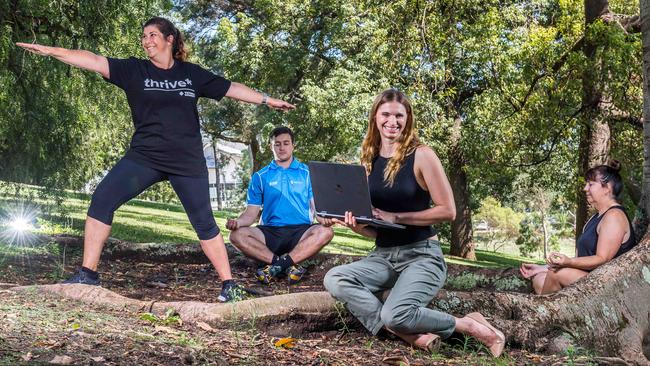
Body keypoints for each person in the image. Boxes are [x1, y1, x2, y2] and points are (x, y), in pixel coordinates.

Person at [16, 16, 295, 302]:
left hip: (186, 162)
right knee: (102, 200)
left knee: (205, 223)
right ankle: (88, 274)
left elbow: (231, 88)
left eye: (152, 35)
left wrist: (267, 100)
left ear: (169, 39)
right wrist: (52, 51)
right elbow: (92, 59)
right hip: (145, 157)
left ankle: (228, 285)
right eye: (144, 36)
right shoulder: (133, 70)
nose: (146, 41)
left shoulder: (191, 74)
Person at [323, 89, 505, 357]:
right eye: (386, 114)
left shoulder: (422, 155)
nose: (392, 121)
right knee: (335, 278)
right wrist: (355, 225)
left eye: (399, 115)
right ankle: (397, 329)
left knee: (396, 314)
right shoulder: (368, 160)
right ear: (375, 117)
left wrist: (396, 217)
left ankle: (467, 325)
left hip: (422, 256)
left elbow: (448, 211)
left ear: (408, 119)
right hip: (384, 256)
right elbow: (375, 230)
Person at [226, 126, 334, 284]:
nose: (282, 147)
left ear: (293, 145)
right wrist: (237, 223)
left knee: (326, 232)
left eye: (286, 143)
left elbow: (316, 208)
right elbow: (250, 214)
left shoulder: (308, 173)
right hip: (269, 233)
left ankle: (275, 267)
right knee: (235, 235)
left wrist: (324, 218)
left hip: (300, 231)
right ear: (271, 146)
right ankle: (286, 265)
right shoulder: (260, 177)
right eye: (277, 144)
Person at [520, 162, 636, 294]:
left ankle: (542, 312)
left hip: (609, 286)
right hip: (589, 277)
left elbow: (602, 259)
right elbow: (581, 258)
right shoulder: (595, 217)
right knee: (540, 279)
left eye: (591, 184)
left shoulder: (614, 216)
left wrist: (567, 262)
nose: (585, 188)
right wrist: (542, 268)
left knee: (557, 274)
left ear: (607, 188)